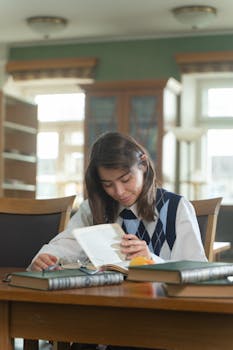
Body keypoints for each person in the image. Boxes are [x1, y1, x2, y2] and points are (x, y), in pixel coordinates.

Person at [30, 131, 207, 350]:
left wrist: (150, 259)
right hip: (104, 317)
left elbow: (198, 273)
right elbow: (66, 243)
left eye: (125, 179)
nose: (119, 192)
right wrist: (46, 258)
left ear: (142, 164)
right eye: (107, 184)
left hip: (161, 322)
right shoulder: (94, 209)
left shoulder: (177, 208)